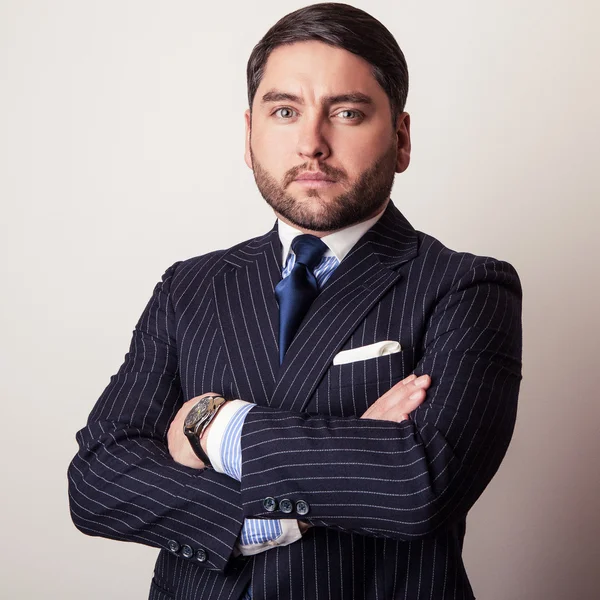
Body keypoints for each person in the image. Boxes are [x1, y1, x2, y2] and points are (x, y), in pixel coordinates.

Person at [67, 3, 523, 599]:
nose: (312, 143)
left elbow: (419, 482)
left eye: (348, 112)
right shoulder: (188, 287)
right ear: (249, 136)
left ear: (402, 139)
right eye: (284, 111)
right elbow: (100, 480)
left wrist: (214, 423)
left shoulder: (467, 287)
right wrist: (279, 514)